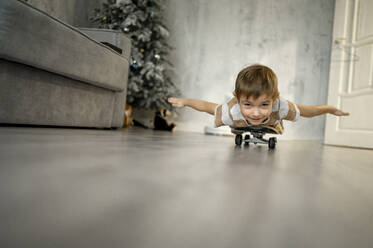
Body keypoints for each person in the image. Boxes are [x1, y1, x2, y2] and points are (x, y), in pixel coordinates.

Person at [167, 64, 349, 134]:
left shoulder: (280, 106)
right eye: (248, 104)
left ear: (274, 99)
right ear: (237, 99)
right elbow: (207, 106)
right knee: (232, 119)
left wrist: (329, 109)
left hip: (271, 122)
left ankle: (272, 125)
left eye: (264, 104)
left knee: (276, 118)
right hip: (239, 123)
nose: (256, 112)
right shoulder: (233, 110)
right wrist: (186, 102)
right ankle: (238, 129)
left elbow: (310, 111)